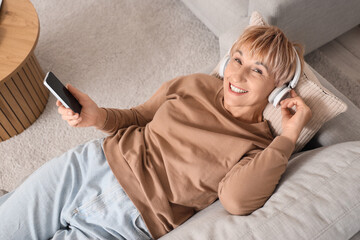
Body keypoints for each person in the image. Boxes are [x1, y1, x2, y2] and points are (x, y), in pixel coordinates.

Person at [0, 24, 312, 240]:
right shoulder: (196, 84)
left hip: (125, 223)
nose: (238, 74)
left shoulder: (260, 148)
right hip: (88, 167)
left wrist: (288, 136)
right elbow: (139, 116)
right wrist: (98, 117)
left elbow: (236, 200)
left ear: (278, 89)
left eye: (258, 70)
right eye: (238, 59)